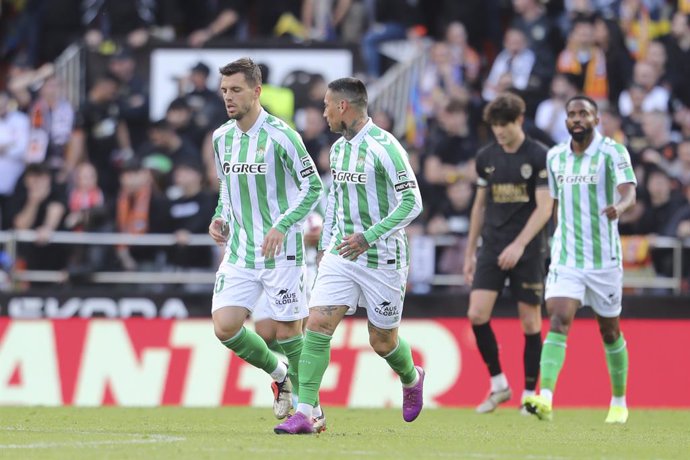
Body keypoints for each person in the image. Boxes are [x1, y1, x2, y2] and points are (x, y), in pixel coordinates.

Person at [274, 77, 424, 435]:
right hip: (342, 254)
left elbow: (413, 202)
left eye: (326, 105)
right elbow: (337, 204)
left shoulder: (386, 148)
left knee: (382, 340)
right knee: (318, 324)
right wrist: (327, 243)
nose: (323, 113)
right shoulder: (339, 149)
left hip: (382, 257)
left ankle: (411, 376)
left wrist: (370, 237)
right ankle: (307, 412)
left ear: (343, 106)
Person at [207, 58, 324, 424]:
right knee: (225, 326)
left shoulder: (282, 136)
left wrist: (284, 224)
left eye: (236, 90)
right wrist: (219, 216)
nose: (228, 97)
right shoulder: (221, 137)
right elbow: (227, 185)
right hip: (240, 251)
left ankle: (311, 410)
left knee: (290, 331)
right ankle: (281, 376)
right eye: (224, 90)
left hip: (282, 251)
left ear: (256, 92)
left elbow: (313, 185)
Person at [524, 96, 637, 424]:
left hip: (604, 259)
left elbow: (629, 190)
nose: (576, 119)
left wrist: (622, 206)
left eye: (583, 113)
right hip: (567, 258)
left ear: (596, 119)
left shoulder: (613, 152)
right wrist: (555, 242)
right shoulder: (555, 157)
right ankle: (544, 398)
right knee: (558, 320)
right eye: (571, 114)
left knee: (610, 331)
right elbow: (556, 205)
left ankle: (619, 401)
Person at [463, 92, 553, 414]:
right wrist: (470, 251)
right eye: (495, 126)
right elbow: (479, 207)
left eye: (504, 125)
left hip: (527, 250)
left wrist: (520, 244)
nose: (499, 131)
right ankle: (499, 384)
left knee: (530, 322)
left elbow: (545, 208)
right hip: (492, 246)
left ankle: (529, 396)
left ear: (519, 121)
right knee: (476, 314)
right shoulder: (486, 157)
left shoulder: (540, 156)